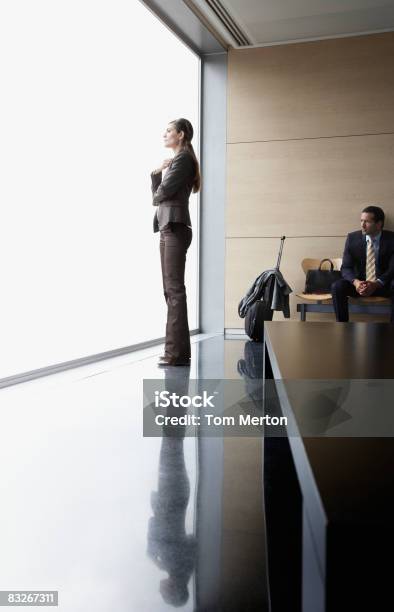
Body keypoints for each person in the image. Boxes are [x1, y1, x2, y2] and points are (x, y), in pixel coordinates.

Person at [151, 118, 201, 366]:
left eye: (169, 130)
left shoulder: (182, 159)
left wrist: (158, 179)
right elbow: (160, 193)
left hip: (175, 227)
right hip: (168, 227)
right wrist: (156, 173)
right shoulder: (178, 160)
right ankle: (178, 352)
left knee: (174, 291)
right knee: (171, 291)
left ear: (181, 135)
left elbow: (161, 194)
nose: (165, 134)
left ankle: (175, 354)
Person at [331, 206, 394, 322]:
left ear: (379, 224)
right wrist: (356, 282)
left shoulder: (391, 239)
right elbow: (346, 267)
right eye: (361, 221)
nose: (362, 225)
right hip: (359, 285)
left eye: (367, 221)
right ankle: (343, 326)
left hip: (383, 284)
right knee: (337, 286)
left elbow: (392, 269)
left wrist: (376, 283)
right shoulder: (352, 238)